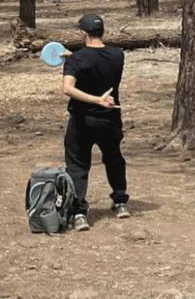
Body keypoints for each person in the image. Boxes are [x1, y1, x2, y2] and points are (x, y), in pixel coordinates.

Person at [61, 12, 129, 231]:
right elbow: (97, 61)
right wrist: (73, 58)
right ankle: (120, 202)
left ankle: (79, 213)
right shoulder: (118, 55)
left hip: (83, 121)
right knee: (114, 159)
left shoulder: (78, 60)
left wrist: (96, 100)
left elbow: (67, 88)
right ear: (103, 31)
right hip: (110, 120)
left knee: (78, 165)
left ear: (82, 33)